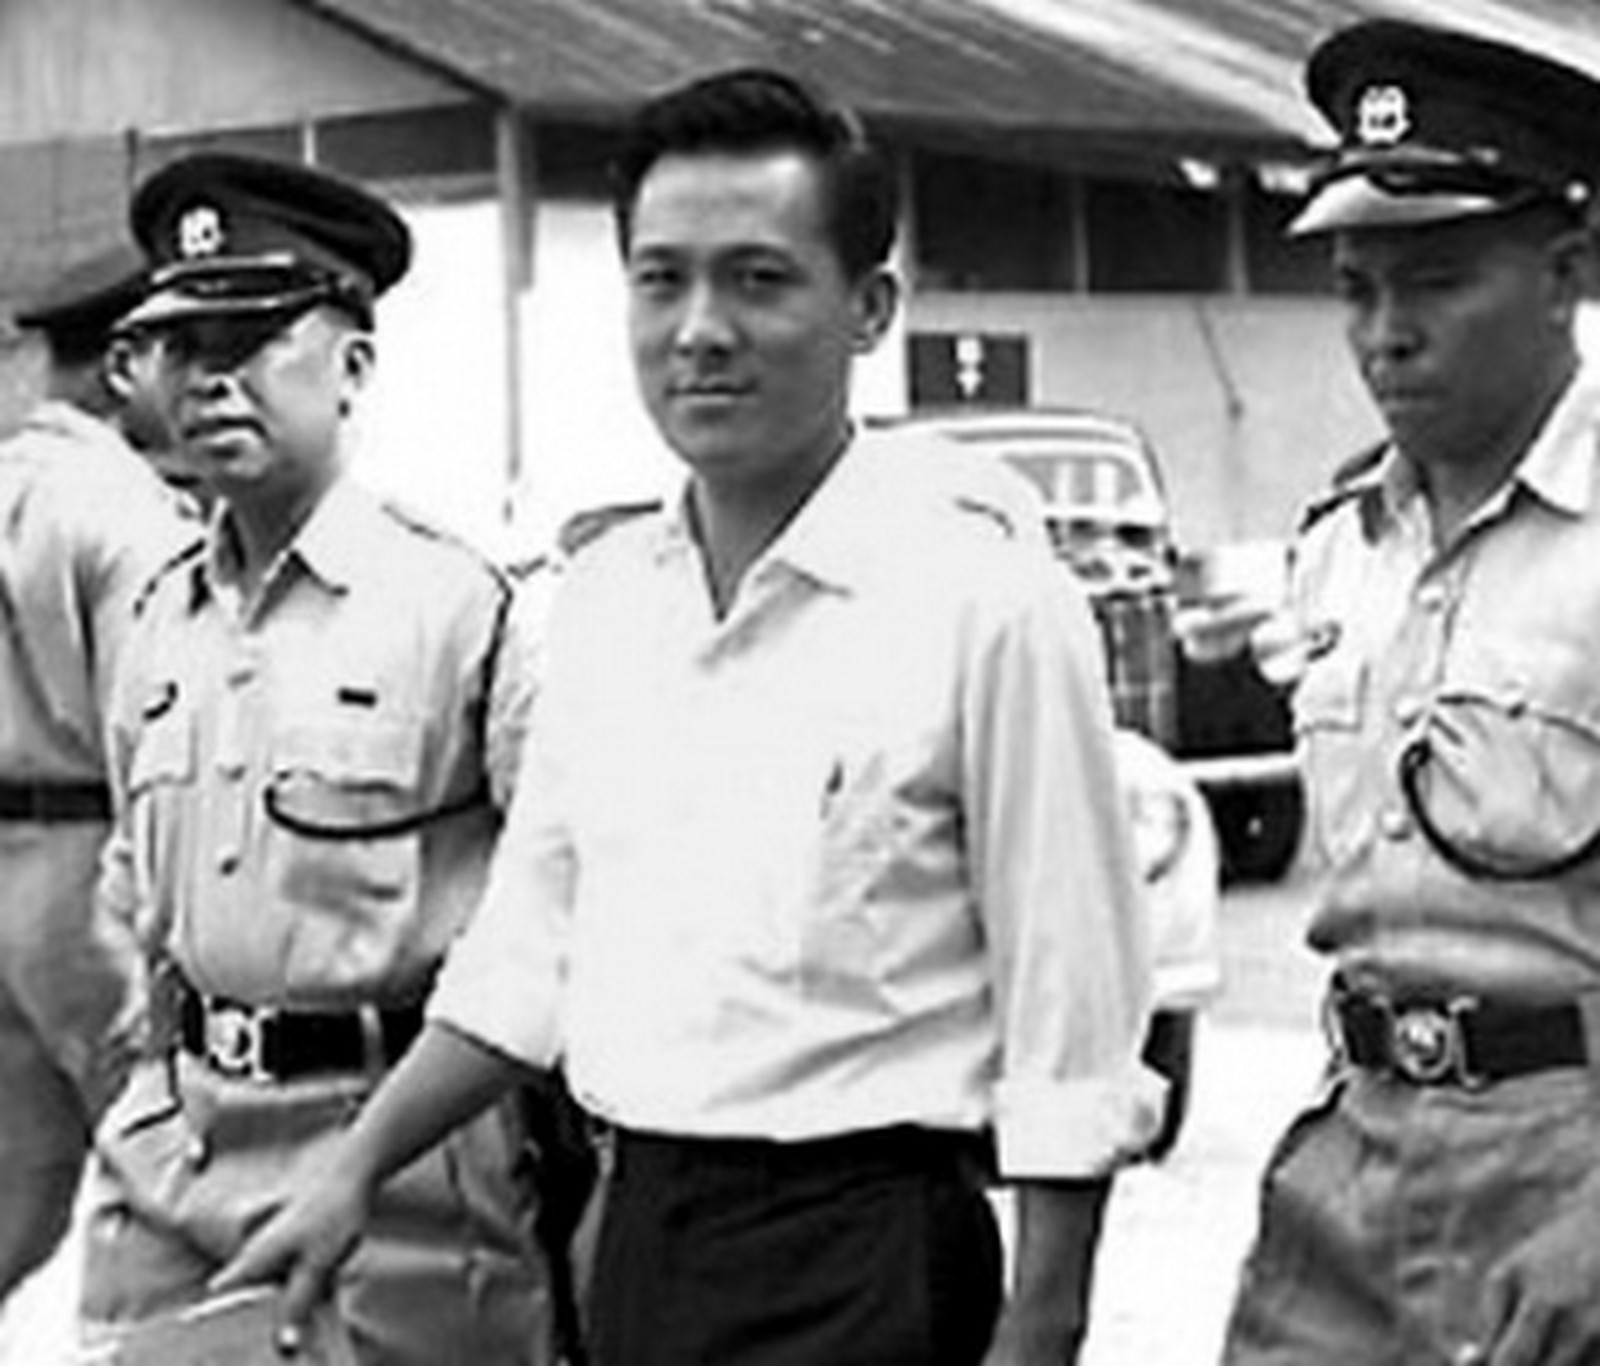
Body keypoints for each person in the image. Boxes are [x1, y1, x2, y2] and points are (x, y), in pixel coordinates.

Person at [216, 67, 1163, 1366]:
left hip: (867, 1256)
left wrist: (1043, 1322)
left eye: (759, 280)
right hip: (639, 1233)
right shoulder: (609, 599)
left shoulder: (985, 601)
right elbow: (529, 949)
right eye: (660, 281)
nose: (700, 330)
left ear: (869, 308)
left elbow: (1074, 1002)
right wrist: (356, 1165)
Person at [79, 152, 552, 1366]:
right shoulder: (157, 618)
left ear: (353, 367)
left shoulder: (462, 610)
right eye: (183, 345)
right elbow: (136, 887)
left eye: (251, 338)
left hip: (395, 1180)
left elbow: (549, 928)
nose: (210, 378)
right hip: (177, 1166)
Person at [1218, 20, 1600, 1366]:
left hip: (1569, 1163)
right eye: (1355, 290)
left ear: (1567, 270)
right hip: (1353, 1149)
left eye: (1436, 283)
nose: (1387, 336)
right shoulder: (1339, 544)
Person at [0, 243, 197, 1303]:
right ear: (127, 364)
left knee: (14, 1201)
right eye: (185, 353)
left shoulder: (11, 478)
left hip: (7, 872)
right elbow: (159, 730)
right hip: (85, 886)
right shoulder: (122, 509)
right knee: (183, 1180)